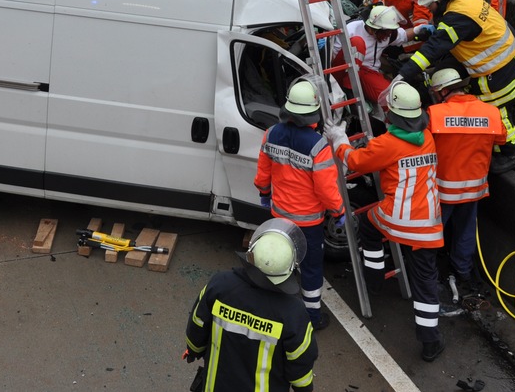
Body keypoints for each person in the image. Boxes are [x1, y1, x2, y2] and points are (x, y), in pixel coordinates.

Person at [323, 81, 445, 361]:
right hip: (428, 225)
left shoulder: (388, 144)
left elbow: (354, 162)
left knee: (367, 223)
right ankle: (430, 342)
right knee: (425, 283)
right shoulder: (427, 137)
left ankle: (373, 277)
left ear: (394, 115)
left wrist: (339, 139)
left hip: (396, 219)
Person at [398, 0, 515, 174]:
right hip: (509, 62)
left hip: (503, 72)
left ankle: (509, 152)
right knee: (484, 106)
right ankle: (496, 146)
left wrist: (403, 75)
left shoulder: (456, 17)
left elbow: (434, 49)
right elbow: (460, 32)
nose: (427, 9)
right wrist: (434, 31)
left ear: (438, 0)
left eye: (429, 5)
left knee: (491, 108)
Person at [184, 218, 318, 391]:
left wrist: (194, 350)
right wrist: (305, 389)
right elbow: (300, 361)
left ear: (251, 254)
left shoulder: (219, 286)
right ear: (289, 268)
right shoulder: (293, 312)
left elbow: (198, 323)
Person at [254, 80, 344, 329]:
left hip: (279, 217)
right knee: (311, 270)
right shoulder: (318, 145)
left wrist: (264, 192)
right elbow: (326, 189)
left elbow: (263, 172)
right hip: (308, 223)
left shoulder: (271, 133)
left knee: (278, 263)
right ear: (313, 112)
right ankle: (312, 319)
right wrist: (339, 210)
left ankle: (272, 312)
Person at [425, 67, 505, 309]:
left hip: (443, 190)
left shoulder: (435, 114)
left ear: (443, 91)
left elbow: (420, 142)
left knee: (431, 233)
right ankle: (463, 271)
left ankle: (428, 272)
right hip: (474, 189)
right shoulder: (491, 113)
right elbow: (501, 139)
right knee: (466, 231)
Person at [331, 5, 418, 104]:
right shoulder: (352, 29)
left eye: (391, 31)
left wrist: (418, 29)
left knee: (389, 99)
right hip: (342, 70)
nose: (389, 34)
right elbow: (334, 56)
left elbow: (404, 36)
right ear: (375, 29)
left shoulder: (388, 33)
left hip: (367, 72)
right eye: (387, 32)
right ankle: (349, 89)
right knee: (357, 42)